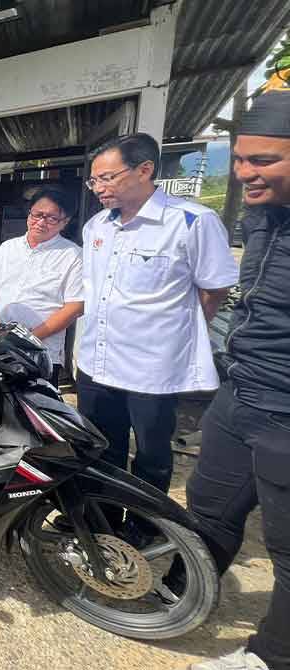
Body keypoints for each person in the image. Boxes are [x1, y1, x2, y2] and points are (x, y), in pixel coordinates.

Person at [186, 92, 290, 670]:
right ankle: (186, 593)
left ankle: (271, 657)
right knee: (208, 504)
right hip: (240, 395)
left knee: (287, 549)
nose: (247, 172)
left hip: (286, 411)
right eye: (242, 158)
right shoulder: (263, 218)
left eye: (265, 160)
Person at [77, 133, 238, 501]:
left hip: (152, 369)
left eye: (107, 178)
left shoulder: (191, 221)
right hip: (96, 363)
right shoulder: (96, 227)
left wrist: (176, 334)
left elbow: (214, 289)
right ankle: (102, 522)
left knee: (151, 454)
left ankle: (144, 525)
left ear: (145, 170)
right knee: (101, 449)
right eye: (94, 180)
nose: (98, 188)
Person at [0, 186, 84, 387]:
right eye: (37, 214)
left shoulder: (73, 255)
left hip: (41, 354)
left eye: (51, 218)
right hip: (0, 351)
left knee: (35, 413)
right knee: (0, 411)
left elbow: (75, 307)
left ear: (65, 222)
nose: (41, 222)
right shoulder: (7, 248)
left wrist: (26, 340)